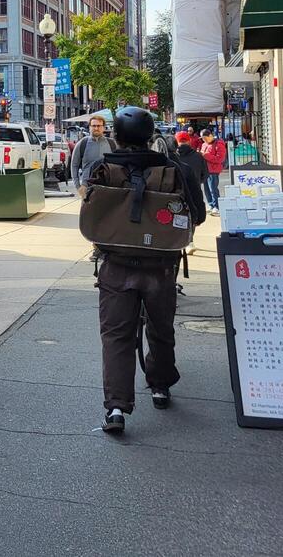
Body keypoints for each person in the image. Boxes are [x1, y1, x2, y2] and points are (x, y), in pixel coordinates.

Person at [91, 107, 206, 435]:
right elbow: (195, 215)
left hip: (116, 266)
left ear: (116, 135)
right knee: (161, 328)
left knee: (116, 336)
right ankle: (160, 386)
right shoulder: (173, 169)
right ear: (150, 135)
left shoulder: (104, 169)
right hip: (161, 266)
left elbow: (90, 217)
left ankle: (116, 408)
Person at [70, 114, 114, 192]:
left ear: (103, 127)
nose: (96, 128)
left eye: (99, 126)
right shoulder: (82, 143)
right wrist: (78, 186)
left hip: (108, 188)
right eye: (93, 126)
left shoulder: (112, 144)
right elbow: (74, 165)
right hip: (87, 188)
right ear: (89, 127)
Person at [199, 128, 226, 213]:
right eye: (202, 138)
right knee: (207, 189)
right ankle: (211, 204)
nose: (204, 140)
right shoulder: (204, 145)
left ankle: (216, 206)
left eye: (205, 138)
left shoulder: (219, 144)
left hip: (213, 170)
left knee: (213, 188)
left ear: (210, 136)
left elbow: (220, 159)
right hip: (205, 169)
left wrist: (205, 155)